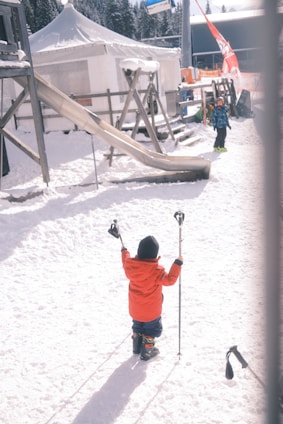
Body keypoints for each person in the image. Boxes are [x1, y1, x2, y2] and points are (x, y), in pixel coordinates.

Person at [121, 235, 183, 361]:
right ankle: (147, 351)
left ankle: (136, 346)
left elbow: (125, 260)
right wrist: (177, 264)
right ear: (155, 256)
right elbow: (170, 280)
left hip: (135, 309)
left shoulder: (130, 267)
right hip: (151, 312)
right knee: (151, 330)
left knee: (137, 325)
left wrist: (124, 251)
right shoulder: (156, 271)